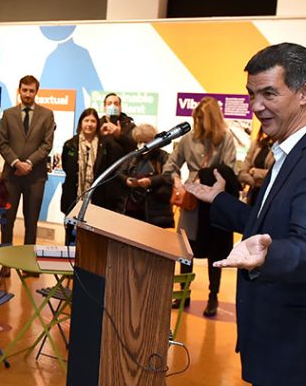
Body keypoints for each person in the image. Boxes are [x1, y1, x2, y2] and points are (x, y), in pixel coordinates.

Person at [185, 42, 306, 386]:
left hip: (300, 353)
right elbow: (266, 223)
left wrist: (268, 255)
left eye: (268, 93)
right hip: (279, 345)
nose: (256, 107)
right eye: (251, 95)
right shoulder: (289, 152)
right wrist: (218, 199)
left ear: (304, 93)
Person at [167, 96, 236, 314]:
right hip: (192, 205)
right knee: (186, 250)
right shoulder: (188, 139)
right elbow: (171, 164)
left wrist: (205, 178)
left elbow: (229, 171)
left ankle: (212, 297)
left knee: (216, 252)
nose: (198, 123)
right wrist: (177, 180)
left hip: (215, 204)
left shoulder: (226, 139)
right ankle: (184, 293)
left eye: (202, 119)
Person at [0, 75, 55, 267]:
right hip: (11, 176)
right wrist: (16, 163)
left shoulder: (47, 115)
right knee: (8, 221)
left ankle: (29, 265)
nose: (28, 94)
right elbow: (3, 143)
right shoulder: (8, 113)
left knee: (31, 223)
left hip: (35, 176)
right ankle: (5, 263)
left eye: (31, 91)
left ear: (36, 92)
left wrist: (29, 163)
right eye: (25, 90)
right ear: (19, 90)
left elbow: (47, 145)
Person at [59, 108, 122, 244]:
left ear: (97, 124)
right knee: (70, 238)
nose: (89, 124)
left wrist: (110, 136)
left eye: (93, 121)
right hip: (73, 196)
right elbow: (66, 167)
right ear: (80, 123)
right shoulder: (70, 144)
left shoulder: (105, 144)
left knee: (93, 240)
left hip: (97, 199)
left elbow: (117, 158)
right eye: (86, 120)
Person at [118, 124, 174, 229]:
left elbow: (169, 175)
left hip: (155, 210)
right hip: (132, 208)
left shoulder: (163, 156)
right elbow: (120, 172)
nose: (142, 144)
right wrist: (127, 180)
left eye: (145, 141)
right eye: (139, 141)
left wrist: (150, 181)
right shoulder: (133, 156)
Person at [238, 129, 275, 205]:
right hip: (253, 194)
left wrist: (255, 172)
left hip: (271, 196)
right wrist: (253, 181)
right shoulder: (257, 144)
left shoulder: (282, 146)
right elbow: (242, 172)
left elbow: (276, 173)